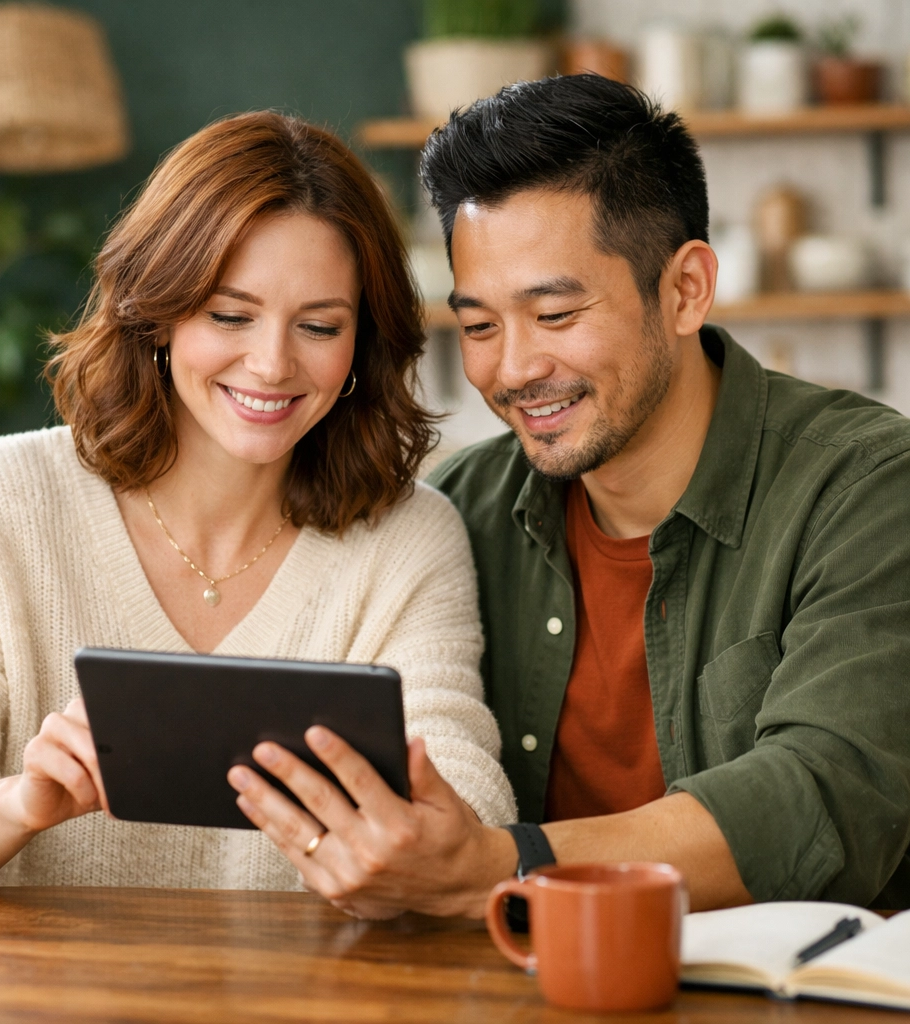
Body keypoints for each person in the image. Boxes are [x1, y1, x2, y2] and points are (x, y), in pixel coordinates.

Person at [231, 75, 910, 917]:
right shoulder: (455, 515)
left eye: (554, 314)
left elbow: (827, 799)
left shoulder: (868, 487)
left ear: (686, 289)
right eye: (479, 326)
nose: (512, 370)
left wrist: (498, 864)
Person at [0, 112, 516, 890]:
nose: (272, 363)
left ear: (364, 346)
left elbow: (467, 810)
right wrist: (21, 805)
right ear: (158, 313)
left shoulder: (409, 537)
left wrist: (415, 857)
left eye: (320, 326)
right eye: (229, 316)